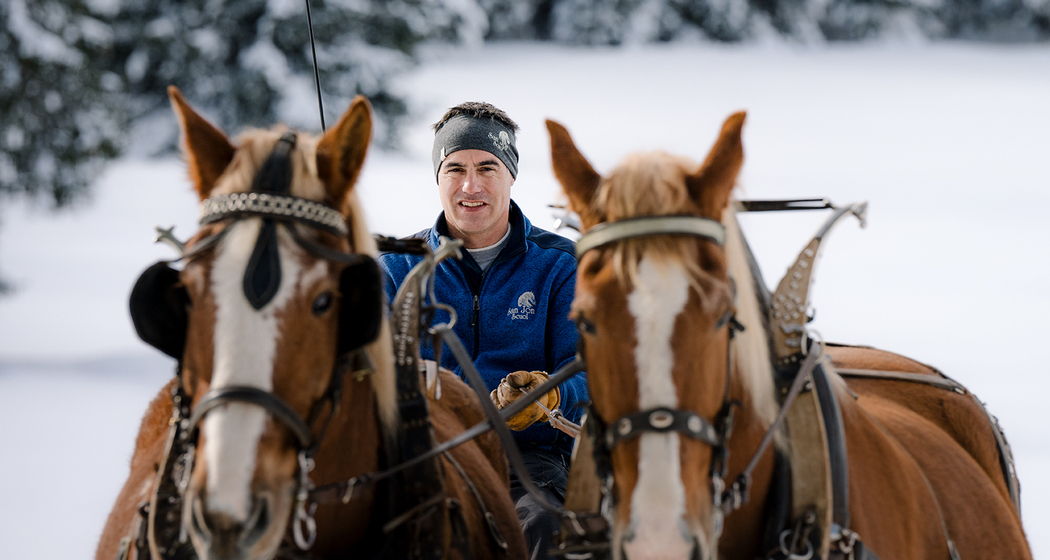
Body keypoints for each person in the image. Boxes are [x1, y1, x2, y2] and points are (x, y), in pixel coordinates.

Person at [378, 102, 587, 560]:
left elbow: (589, 373)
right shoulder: (395, 269)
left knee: (542, 528)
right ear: (438, 177)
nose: (470, 186)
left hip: (526, 463)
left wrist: (547, 398)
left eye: (487, 167)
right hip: (417, 460)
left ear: (511, 176)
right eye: (454, 168)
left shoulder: (560, 265)